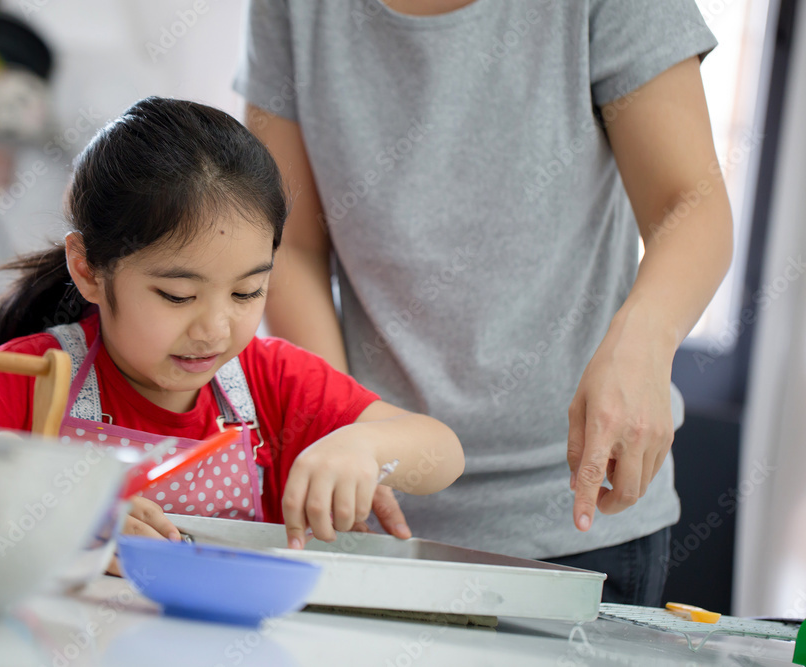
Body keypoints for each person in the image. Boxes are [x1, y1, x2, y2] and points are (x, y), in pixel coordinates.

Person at [234, 0, 733, 605]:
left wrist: (644, 347)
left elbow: (692, 203)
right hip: (374, 521)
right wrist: (342, 428)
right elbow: (291, 246)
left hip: (577, 516)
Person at [0, 96, 464, 552]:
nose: (215, 329)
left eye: (247, 292)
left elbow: (442, 451)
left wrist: (364, 446)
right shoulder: (33, 379)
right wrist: (58, 506)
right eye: (178, 296)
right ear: (88, 269)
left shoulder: (271, 384)